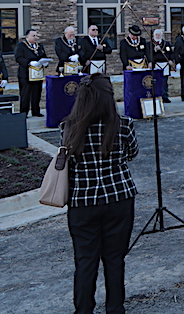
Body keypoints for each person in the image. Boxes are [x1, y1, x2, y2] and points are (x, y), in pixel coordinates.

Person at [60, 73, 138, 314]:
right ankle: (115, 308)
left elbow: (68, 163)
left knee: (85, 261)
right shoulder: (123, 124)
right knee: (115, 259)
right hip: (119, 197)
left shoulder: (68, 127)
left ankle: (83, 310)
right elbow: (131, 153)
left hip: (83, 200)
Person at [14, 28, 47, 117]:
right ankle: (24, 112)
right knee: (26, 93)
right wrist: (29, 62)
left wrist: (45, 62)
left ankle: (36, 111)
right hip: (26, 73)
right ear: (27, 36)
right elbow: (18, 58)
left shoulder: (39, 46)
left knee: (37, 93)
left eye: (36, 36)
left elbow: (43, 56)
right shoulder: (21, 46)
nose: (36, 37)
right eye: (33, 36)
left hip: (37, 74)